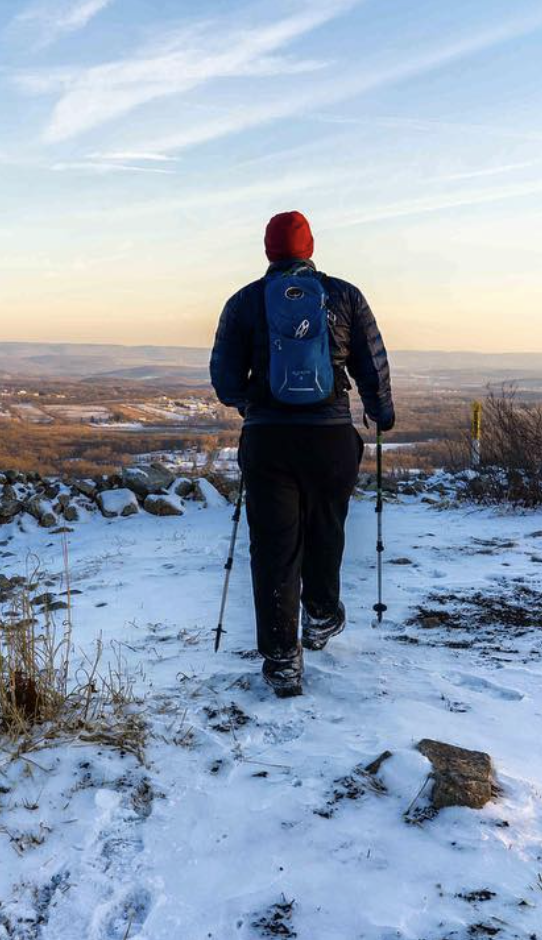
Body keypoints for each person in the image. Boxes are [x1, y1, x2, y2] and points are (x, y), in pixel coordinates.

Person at [208, 210, 395, 697]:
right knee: (326, 529)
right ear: (310, 247)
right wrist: (381, 411)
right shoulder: (344, 296)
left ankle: (282, 660)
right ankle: (320, 615)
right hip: (331, 438)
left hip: (269, 439)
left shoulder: (245, 302)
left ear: (268, 250)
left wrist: (252, 404)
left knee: (273, 548)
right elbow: (372, 361)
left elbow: (225, 380)